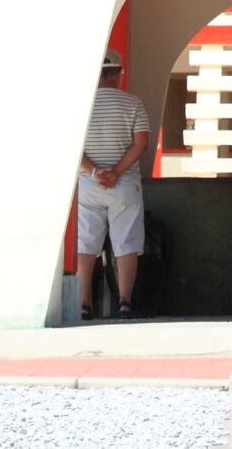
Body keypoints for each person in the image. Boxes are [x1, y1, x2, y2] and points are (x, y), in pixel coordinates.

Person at [77, 48, 152, 318]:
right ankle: (124, 303)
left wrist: (96, 172)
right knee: (126, 242)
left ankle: (83, 304)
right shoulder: (133, 103)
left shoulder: (81, 103)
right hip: (124, 185)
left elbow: (71, 147)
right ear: (119, 73)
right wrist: (116, 172)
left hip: (88, 185)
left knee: (85, 243)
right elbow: (141, 143)